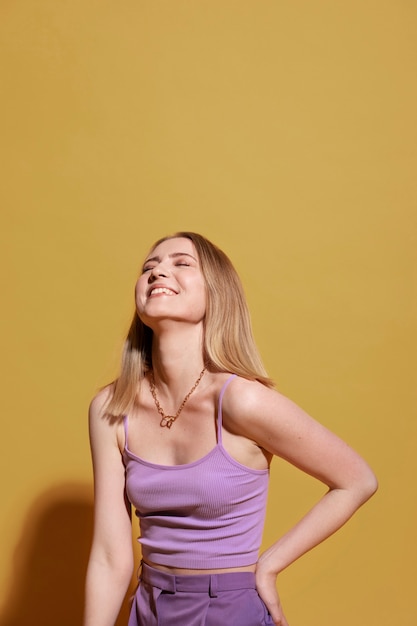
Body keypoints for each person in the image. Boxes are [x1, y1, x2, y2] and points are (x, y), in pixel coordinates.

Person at [84, 231, 377, 626]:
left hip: (228, 610)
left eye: (181, 263)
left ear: (216, 294)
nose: (158, 273)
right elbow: (109, 555)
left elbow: (357, 479)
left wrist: (269, 565)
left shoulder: (243, 401)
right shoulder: (111, 408)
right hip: (149, 608)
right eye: (148, 268)